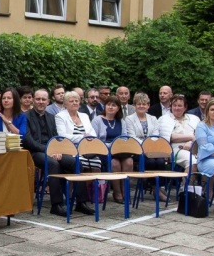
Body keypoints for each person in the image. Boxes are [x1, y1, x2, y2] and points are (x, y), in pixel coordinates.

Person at [25, 89, 96, 217]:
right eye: (38, 99)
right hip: (35, 152)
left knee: (76, 163)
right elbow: (28, 140)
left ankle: (81, 202)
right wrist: (49, 151)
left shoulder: (51, 117)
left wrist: (56, 150)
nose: (41, 102)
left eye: (43, 99)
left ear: (48, 101)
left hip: (53, 150)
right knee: (53, 164)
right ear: (33, 100)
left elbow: (57, 138)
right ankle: (56, 205)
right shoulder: (25, 117)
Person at [101, 96, 133, 202]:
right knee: (115, 163)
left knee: (129, 161)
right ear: (105, 106)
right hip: (104, 151)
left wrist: (118, 146)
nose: (110, 107)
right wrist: (111, 146)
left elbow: (124, 138)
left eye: (114, 105)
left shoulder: (121, 121)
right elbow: (95, 140)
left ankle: (125, 190)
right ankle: (117, 192)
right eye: (108, 105)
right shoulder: (98, 120)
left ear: (118, 108)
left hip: (119, 151)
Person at [160, 95, 200, 170]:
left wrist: (191, 143)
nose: (176, 108)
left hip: (195, 148)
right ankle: (187, 178)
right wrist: (191, 137)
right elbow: (170, 137)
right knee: (193, 162)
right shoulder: (164, 119)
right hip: (175, 149)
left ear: (185, 107)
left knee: (206, 161)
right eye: (174, 105)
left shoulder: (194, 118)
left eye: (180, 106)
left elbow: (201, 134)